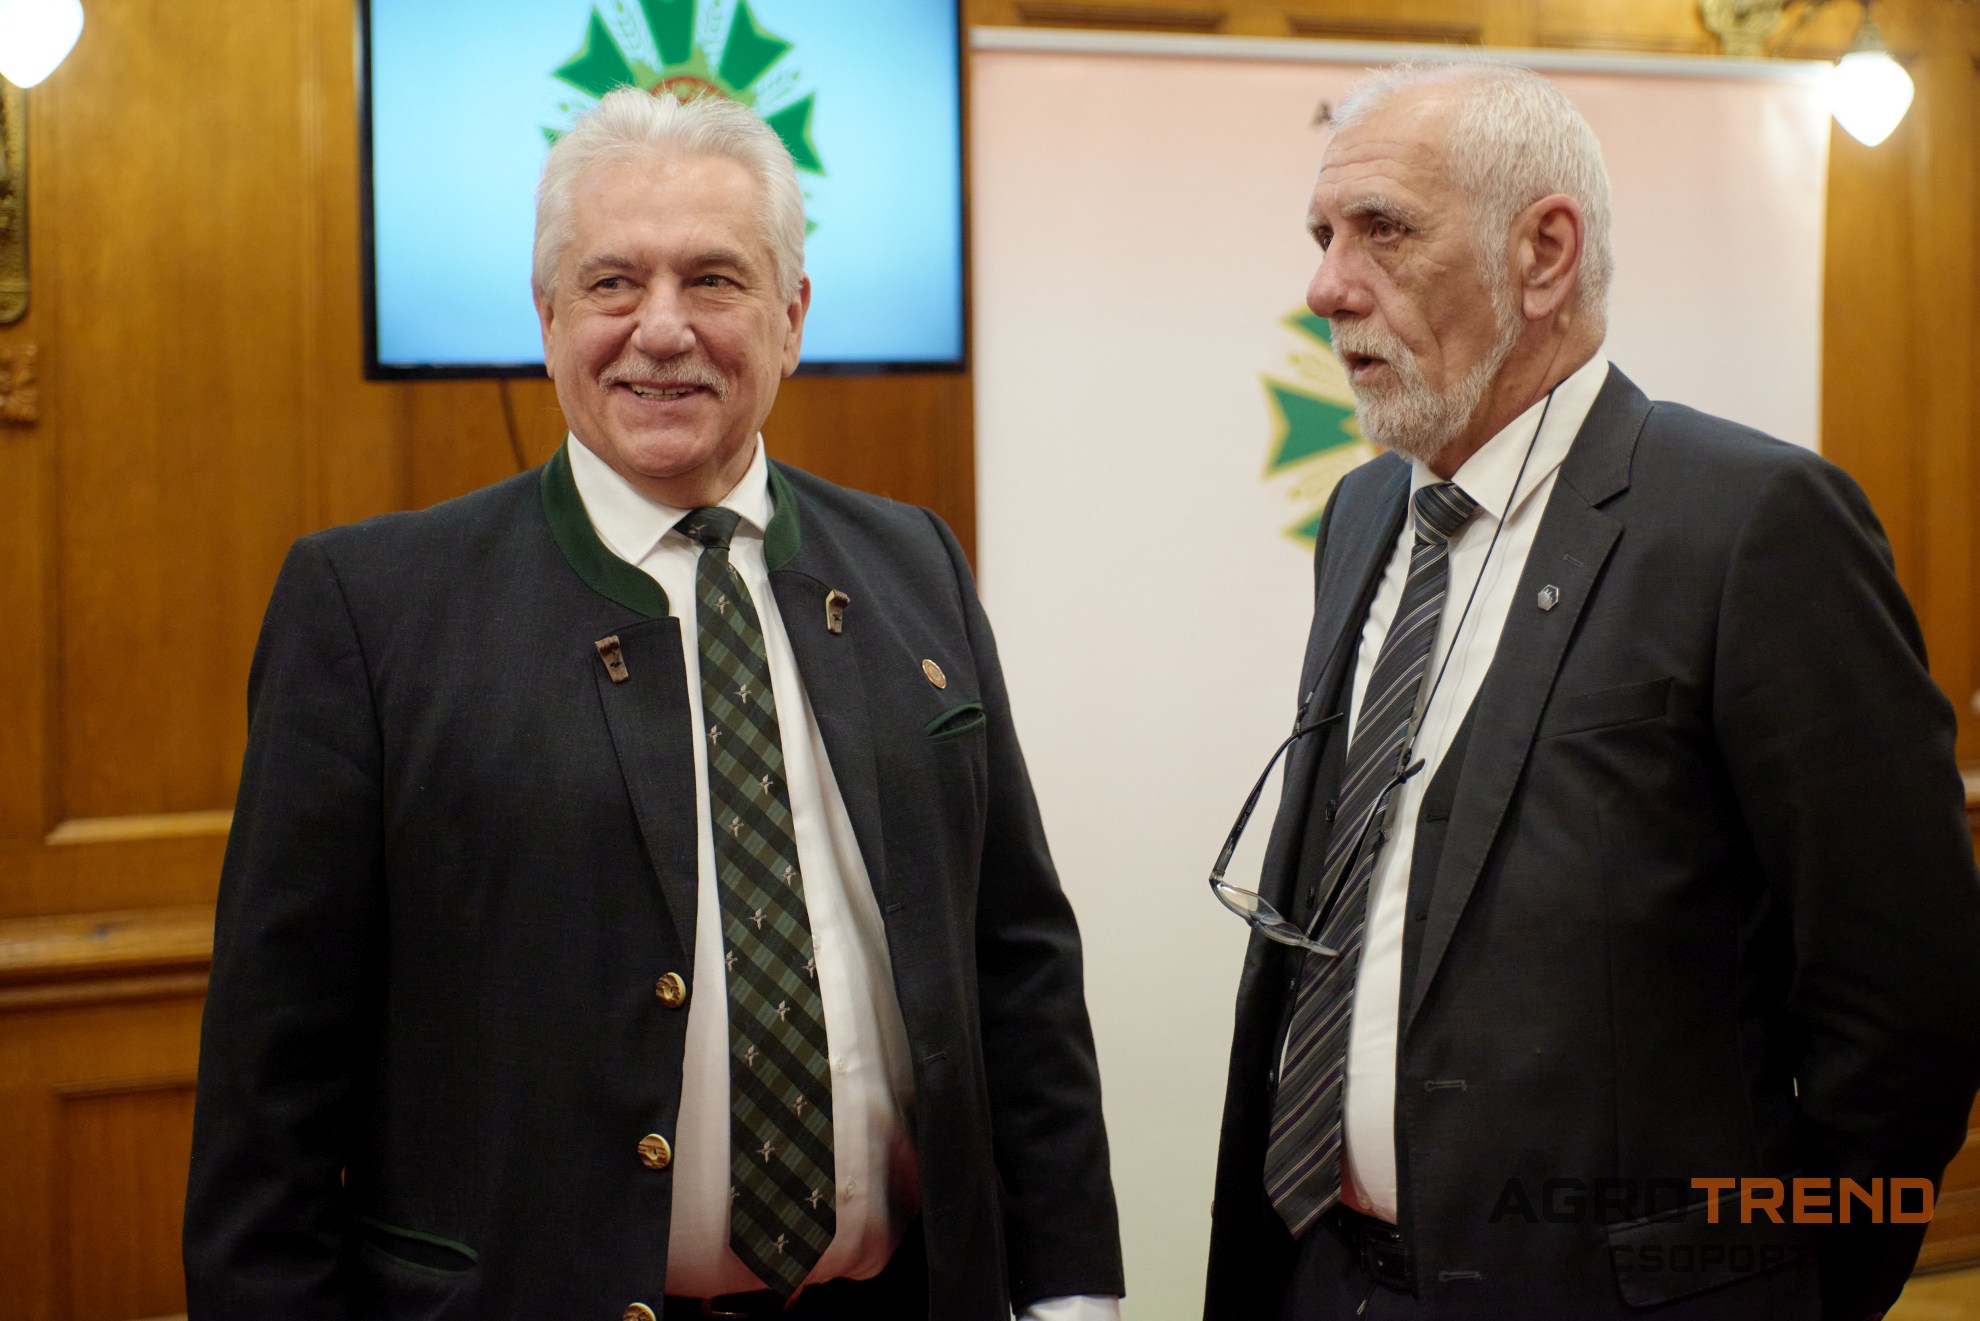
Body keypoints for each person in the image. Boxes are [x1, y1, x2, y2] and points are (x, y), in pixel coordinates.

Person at [185, 89, 1123, 1321]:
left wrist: (1069, 1293)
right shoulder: (372, 611)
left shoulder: (916, 566)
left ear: (792, 316)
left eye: (714, 280)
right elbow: (273, 1071)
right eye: (613, 282)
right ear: (549, 317)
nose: (662, 329)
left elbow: (1019, 966)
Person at [1204, 62, 1980, 1321]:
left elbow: (1903, 1005)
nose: (1328, 285)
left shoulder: (1754, 524)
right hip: (1327, 1277)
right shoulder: (1363, 515)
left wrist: (1790, 1287)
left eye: (1382, 230)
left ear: (1544, 254)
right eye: (1322, 235)